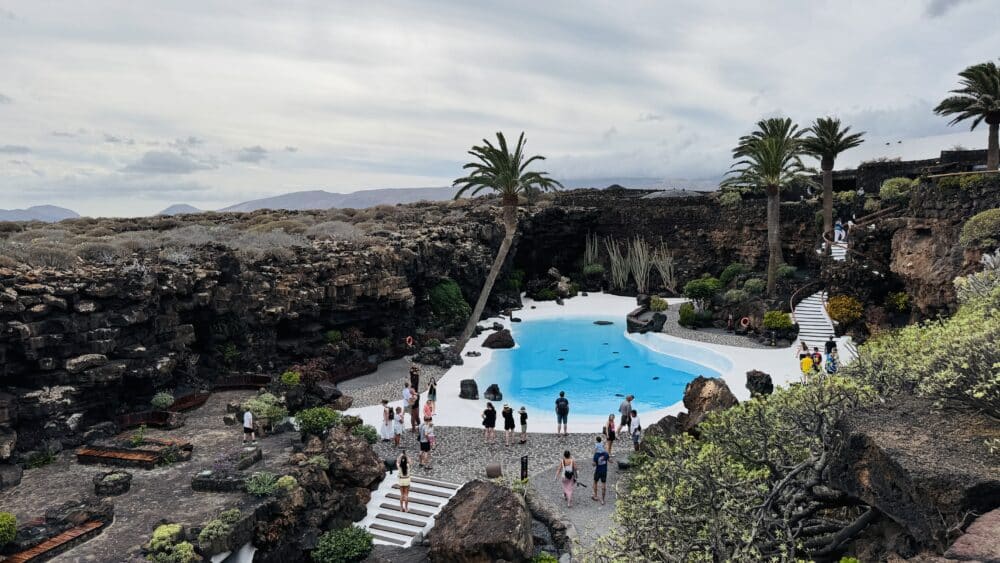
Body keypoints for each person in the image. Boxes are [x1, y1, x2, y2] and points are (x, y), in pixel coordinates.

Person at [592, 437, 610, 505]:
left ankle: (595, 496)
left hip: (598, 470)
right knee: (603, 485)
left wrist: (594, 462)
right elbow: (610, 460)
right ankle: (603, 500)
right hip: (604, 471)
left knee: (595, 482)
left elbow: (593, 464)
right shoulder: (606, 454)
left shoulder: (596, 455)